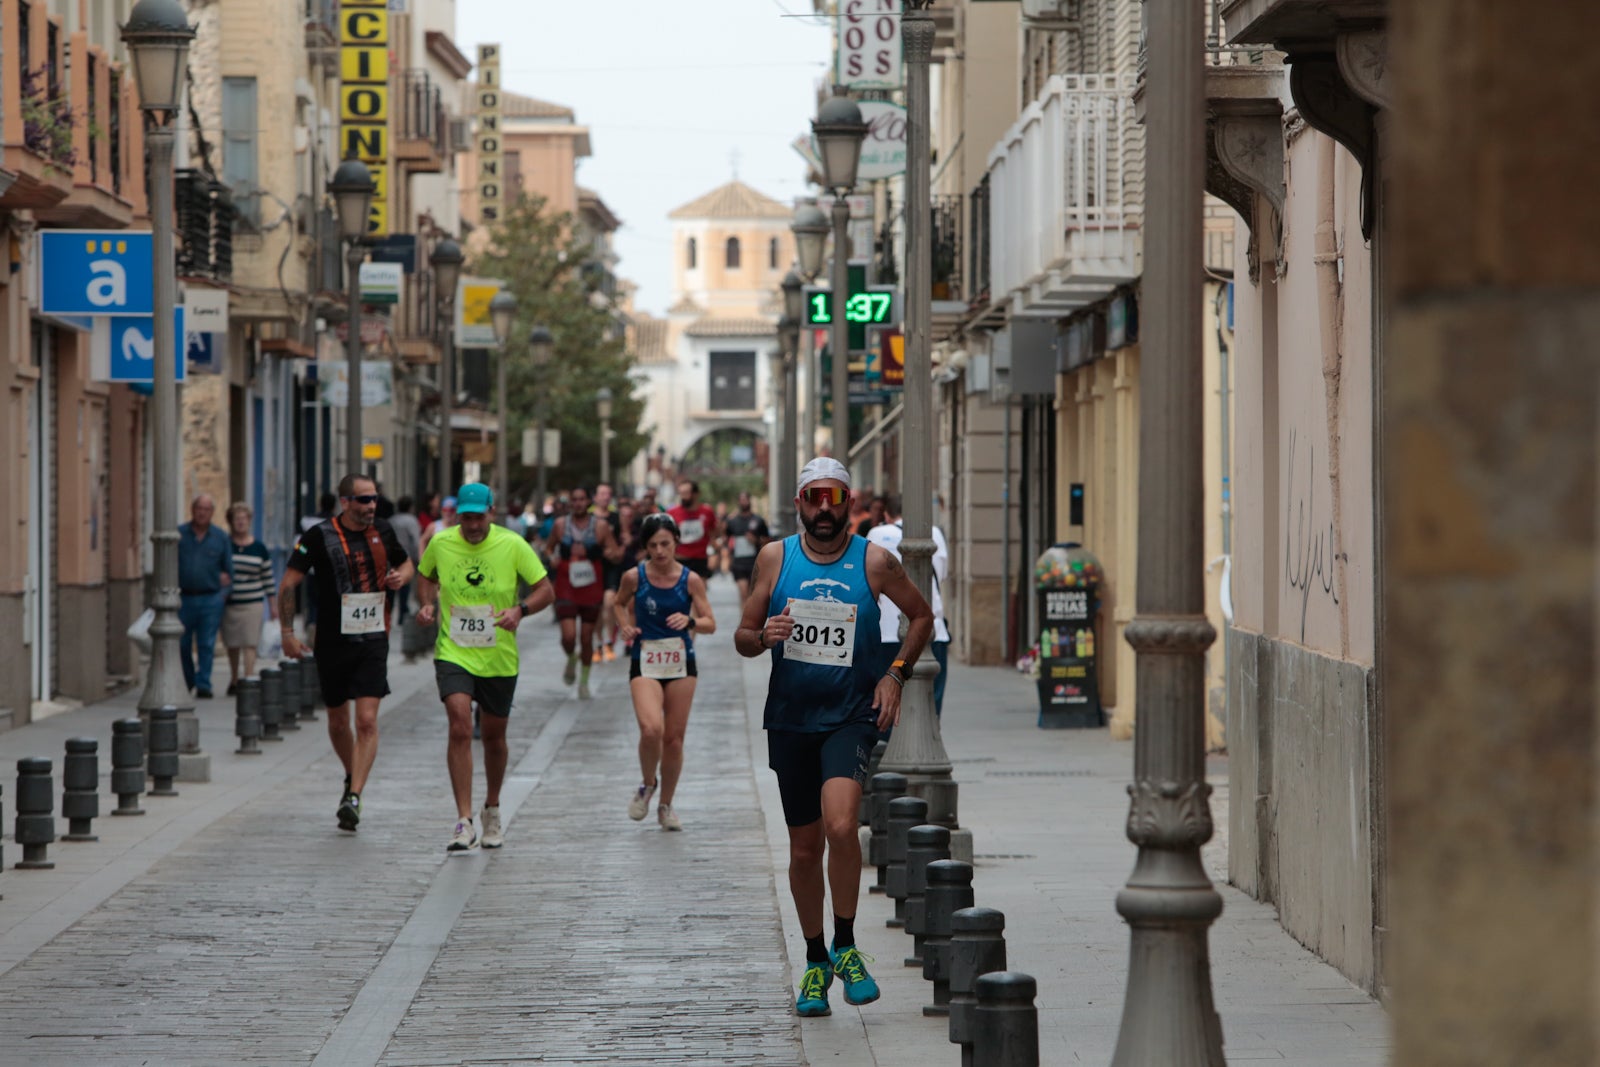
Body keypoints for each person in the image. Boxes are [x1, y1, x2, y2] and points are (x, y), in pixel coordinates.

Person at [735, 457, 933, 1018]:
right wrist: (763, 635)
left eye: (835, 498)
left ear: (850, 502)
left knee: (843, 825)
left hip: (849, 717)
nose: (825, 509)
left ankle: (846, 944)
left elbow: (920, 617)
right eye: (814, 498)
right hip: (791, 718)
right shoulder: (776, 558)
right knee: (804, 846)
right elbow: (743, 636)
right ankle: (816, 959)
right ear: (799, 502)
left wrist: (895, 674)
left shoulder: (874, 561)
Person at [415, 483, 554, 851]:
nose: (472, 525)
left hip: (498, 656)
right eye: (466, 518)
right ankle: (463, 820)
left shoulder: (512, 544)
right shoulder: (442, 543)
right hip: (454, 651)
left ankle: (492, 807)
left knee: (493, 738)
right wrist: (427, 604)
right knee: (459, 723)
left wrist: (520, 610)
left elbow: (545, 590)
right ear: (457, 515)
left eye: (479, 517)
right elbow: (425, 576)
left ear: (491, 513)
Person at [278, 473, 413, 832]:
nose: (372, 506)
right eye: (364, 500)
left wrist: (401, 577)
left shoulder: (384, 530)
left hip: (373, 637)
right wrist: (287, 633)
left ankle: (354, 797)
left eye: (374, 499)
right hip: (333, 641)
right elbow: (289, 583)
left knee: (366, 721)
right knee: (338, 721)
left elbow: (407, 563)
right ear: (346, 502)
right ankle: (352, 773)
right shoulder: (318, 537)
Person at [614, 514, 716, 832]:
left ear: (675, 543)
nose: (659, 552)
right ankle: (648, 784)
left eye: (665, 544)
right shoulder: (634, 577)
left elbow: (710, 622)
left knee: (673, 739)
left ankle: (666, 805)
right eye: (653, 546)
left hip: (681, 661)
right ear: (645, 547)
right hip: (645, 659)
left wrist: (690, 622)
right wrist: (625, 626)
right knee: (650, 729)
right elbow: (618, 604)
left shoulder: (690, 579)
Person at [866, 495, 954, 717]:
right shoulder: (934, 533)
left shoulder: (876, 534)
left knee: (885, 699)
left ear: (887, 515)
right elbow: (941, 574)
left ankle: (888, 739)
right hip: (932, 633)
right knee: (930, 700)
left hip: (885, 631)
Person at [545, 485, 615, 699]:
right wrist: (552, 558)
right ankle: (571, 657)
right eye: (574, 500)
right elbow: (549, 548)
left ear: (589, 501)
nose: (578, 503)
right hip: (566, 585)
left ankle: (584, 681)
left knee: (586, 638)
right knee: (568, 636)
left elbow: (614, 550)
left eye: (582, 499)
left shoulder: (601, 526)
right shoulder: (560, 525)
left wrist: (606, 552)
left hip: (591, 585)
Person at [177, 494, 234, 699]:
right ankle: (189, 679)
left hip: (210, 598)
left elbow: (229, 572)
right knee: (182, 643)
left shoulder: (220, 537)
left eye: (206, 509)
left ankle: (203, 684)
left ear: (212, 512)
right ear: (192, 510)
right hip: (184, 598)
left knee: (206, 643)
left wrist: (222, 596)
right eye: (199, 508)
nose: (202, 512)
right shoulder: (180, 535)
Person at [222, 502, 275, 695]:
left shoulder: (259, 548)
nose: (241, 522)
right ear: (231, 522)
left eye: (244, 519)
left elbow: (268, 578)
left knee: (250, 641)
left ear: (250, 521)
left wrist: (273, 605)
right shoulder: (225, 545)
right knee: (232, 643)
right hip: (231, 603)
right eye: (237, 519)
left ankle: (249, 678)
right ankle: (234, 678)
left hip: (253, 603)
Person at [724, 490, 771, 604]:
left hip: (755, 562)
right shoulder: (732, 521)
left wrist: (756, 541)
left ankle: (750, 618)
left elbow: (767, 541)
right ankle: (743, 620)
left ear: (749, 501)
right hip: (738, 562)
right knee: (743, 592)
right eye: (741, 500)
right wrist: (727, 558)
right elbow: (726, 539)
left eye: (746, 500)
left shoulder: (758, 520)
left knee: (753, 595)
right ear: (738, 502)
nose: (743, 502)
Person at [668, 479, 718, 581]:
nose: (683, 497)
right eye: (681, 493)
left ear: (696, 494)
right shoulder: (672, 513)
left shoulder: (707, 511)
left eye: (686, 493)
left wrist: (714, 554)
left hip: (700, 559)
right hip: (680, 559)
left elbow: (713, 535)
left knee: (699, 593)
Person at [389, 496, 423, 625]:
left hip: (391, 558)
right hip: (406, 558)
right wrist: (417, 558)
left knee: (391, 585)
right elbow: (415, 540)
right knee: (404, 585)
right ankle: (403, 615)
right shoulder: (411, 521)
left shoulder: (392, 520)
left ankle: (390, 613)